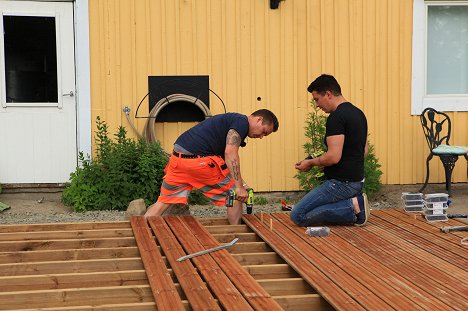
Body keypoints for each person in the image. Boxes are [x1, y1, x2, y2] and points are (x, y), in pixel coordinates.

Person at [145, 109, 279, 224]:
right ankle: (237, 234)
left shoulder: (228, 123)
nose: (261, 137)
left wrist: (243, 185)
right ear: (259, 119)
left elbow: (225, 164)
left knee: (163, 202)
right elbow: (230, 153)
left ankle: (142, 230)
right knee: (234, 195)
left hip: (177, 160)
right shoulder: (241, 122)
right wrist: (238, 188)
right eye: (264, 132)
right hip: (199, 161)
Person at [290, 74, 369, 227]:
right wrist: (327, 162)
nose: (317, 105)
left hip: (340, 184)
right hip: (357, 181)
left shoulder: (336, 117)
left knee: (298, 215)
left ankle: (352, 207)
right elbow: (362, 151)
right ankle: (353, 203)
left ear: (328, 94)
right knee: (313, 209)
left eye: (316, 99)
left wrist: (311, 163)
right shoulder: (359, 114)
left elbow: (333, 157)